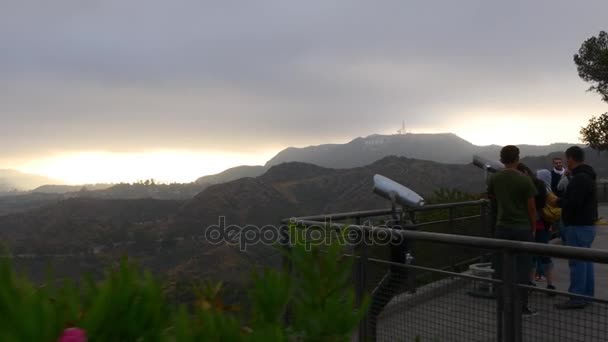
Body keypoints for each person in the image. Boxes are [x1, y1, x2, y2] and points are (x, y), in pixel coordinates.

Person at [488, 145, 538, 316]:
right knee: (523, 269)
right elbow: (532, 209)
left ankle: (503, 305)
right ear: (517, 158)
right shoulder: (525, 180)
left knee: (501, 269)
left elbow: (493, 199)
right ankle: (522, 306)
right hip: (522, 228)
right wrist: (533, 228)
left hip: (502, 228)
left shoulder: (495, 179)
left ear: (502, 159)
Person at [551, 146, 598, 310]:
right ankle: (587, 296)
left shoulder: (579, 179)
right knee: (586, 261)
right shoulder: (587, 176)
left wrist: (558, 202)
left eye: (566, 159)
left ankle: (576, 298)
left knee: (577, 262)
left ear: (571, 159)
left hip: (577, 226)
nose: (565, 162)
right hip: (587, 226)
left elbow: (573, 203)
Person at [533, 169, 558, 294]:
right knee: (545, 254)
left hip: (535, 225)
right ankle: (550, 285)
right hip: (546, 225)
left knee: (532, 254)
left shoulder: (537, 188)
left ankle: (530, 283)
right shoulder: (550, 190)